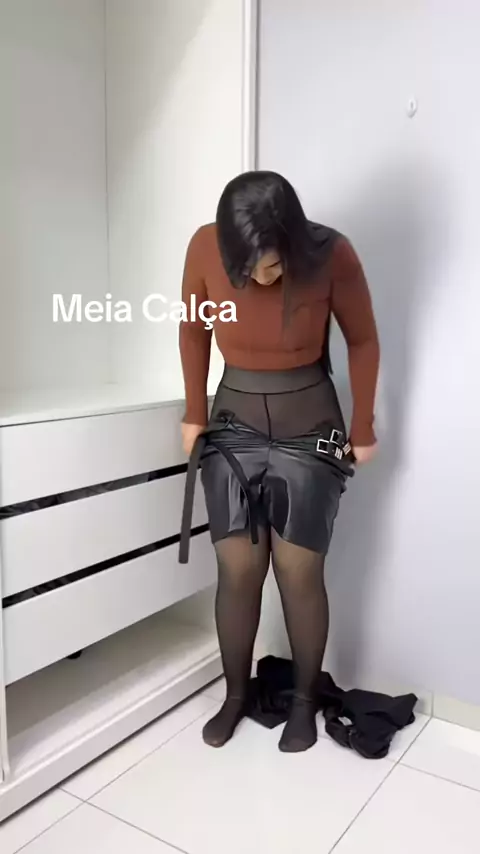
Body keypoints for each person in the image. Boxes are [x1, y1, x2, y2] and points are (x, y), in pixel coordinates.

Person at [178, 170, 380, 753]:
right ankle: (235, 695)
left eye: (271, 266)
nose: (262, 279)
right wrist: (194, 412)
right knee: (238, 569)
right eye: (248, 269)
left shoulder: (333, 254)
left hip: (309, 425)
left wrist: (362, 425)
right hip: (233, 423)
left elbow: (363, 339)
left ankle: (304, 702)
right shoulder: (203, 246)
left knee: (297, 570)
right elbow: (193, 330)